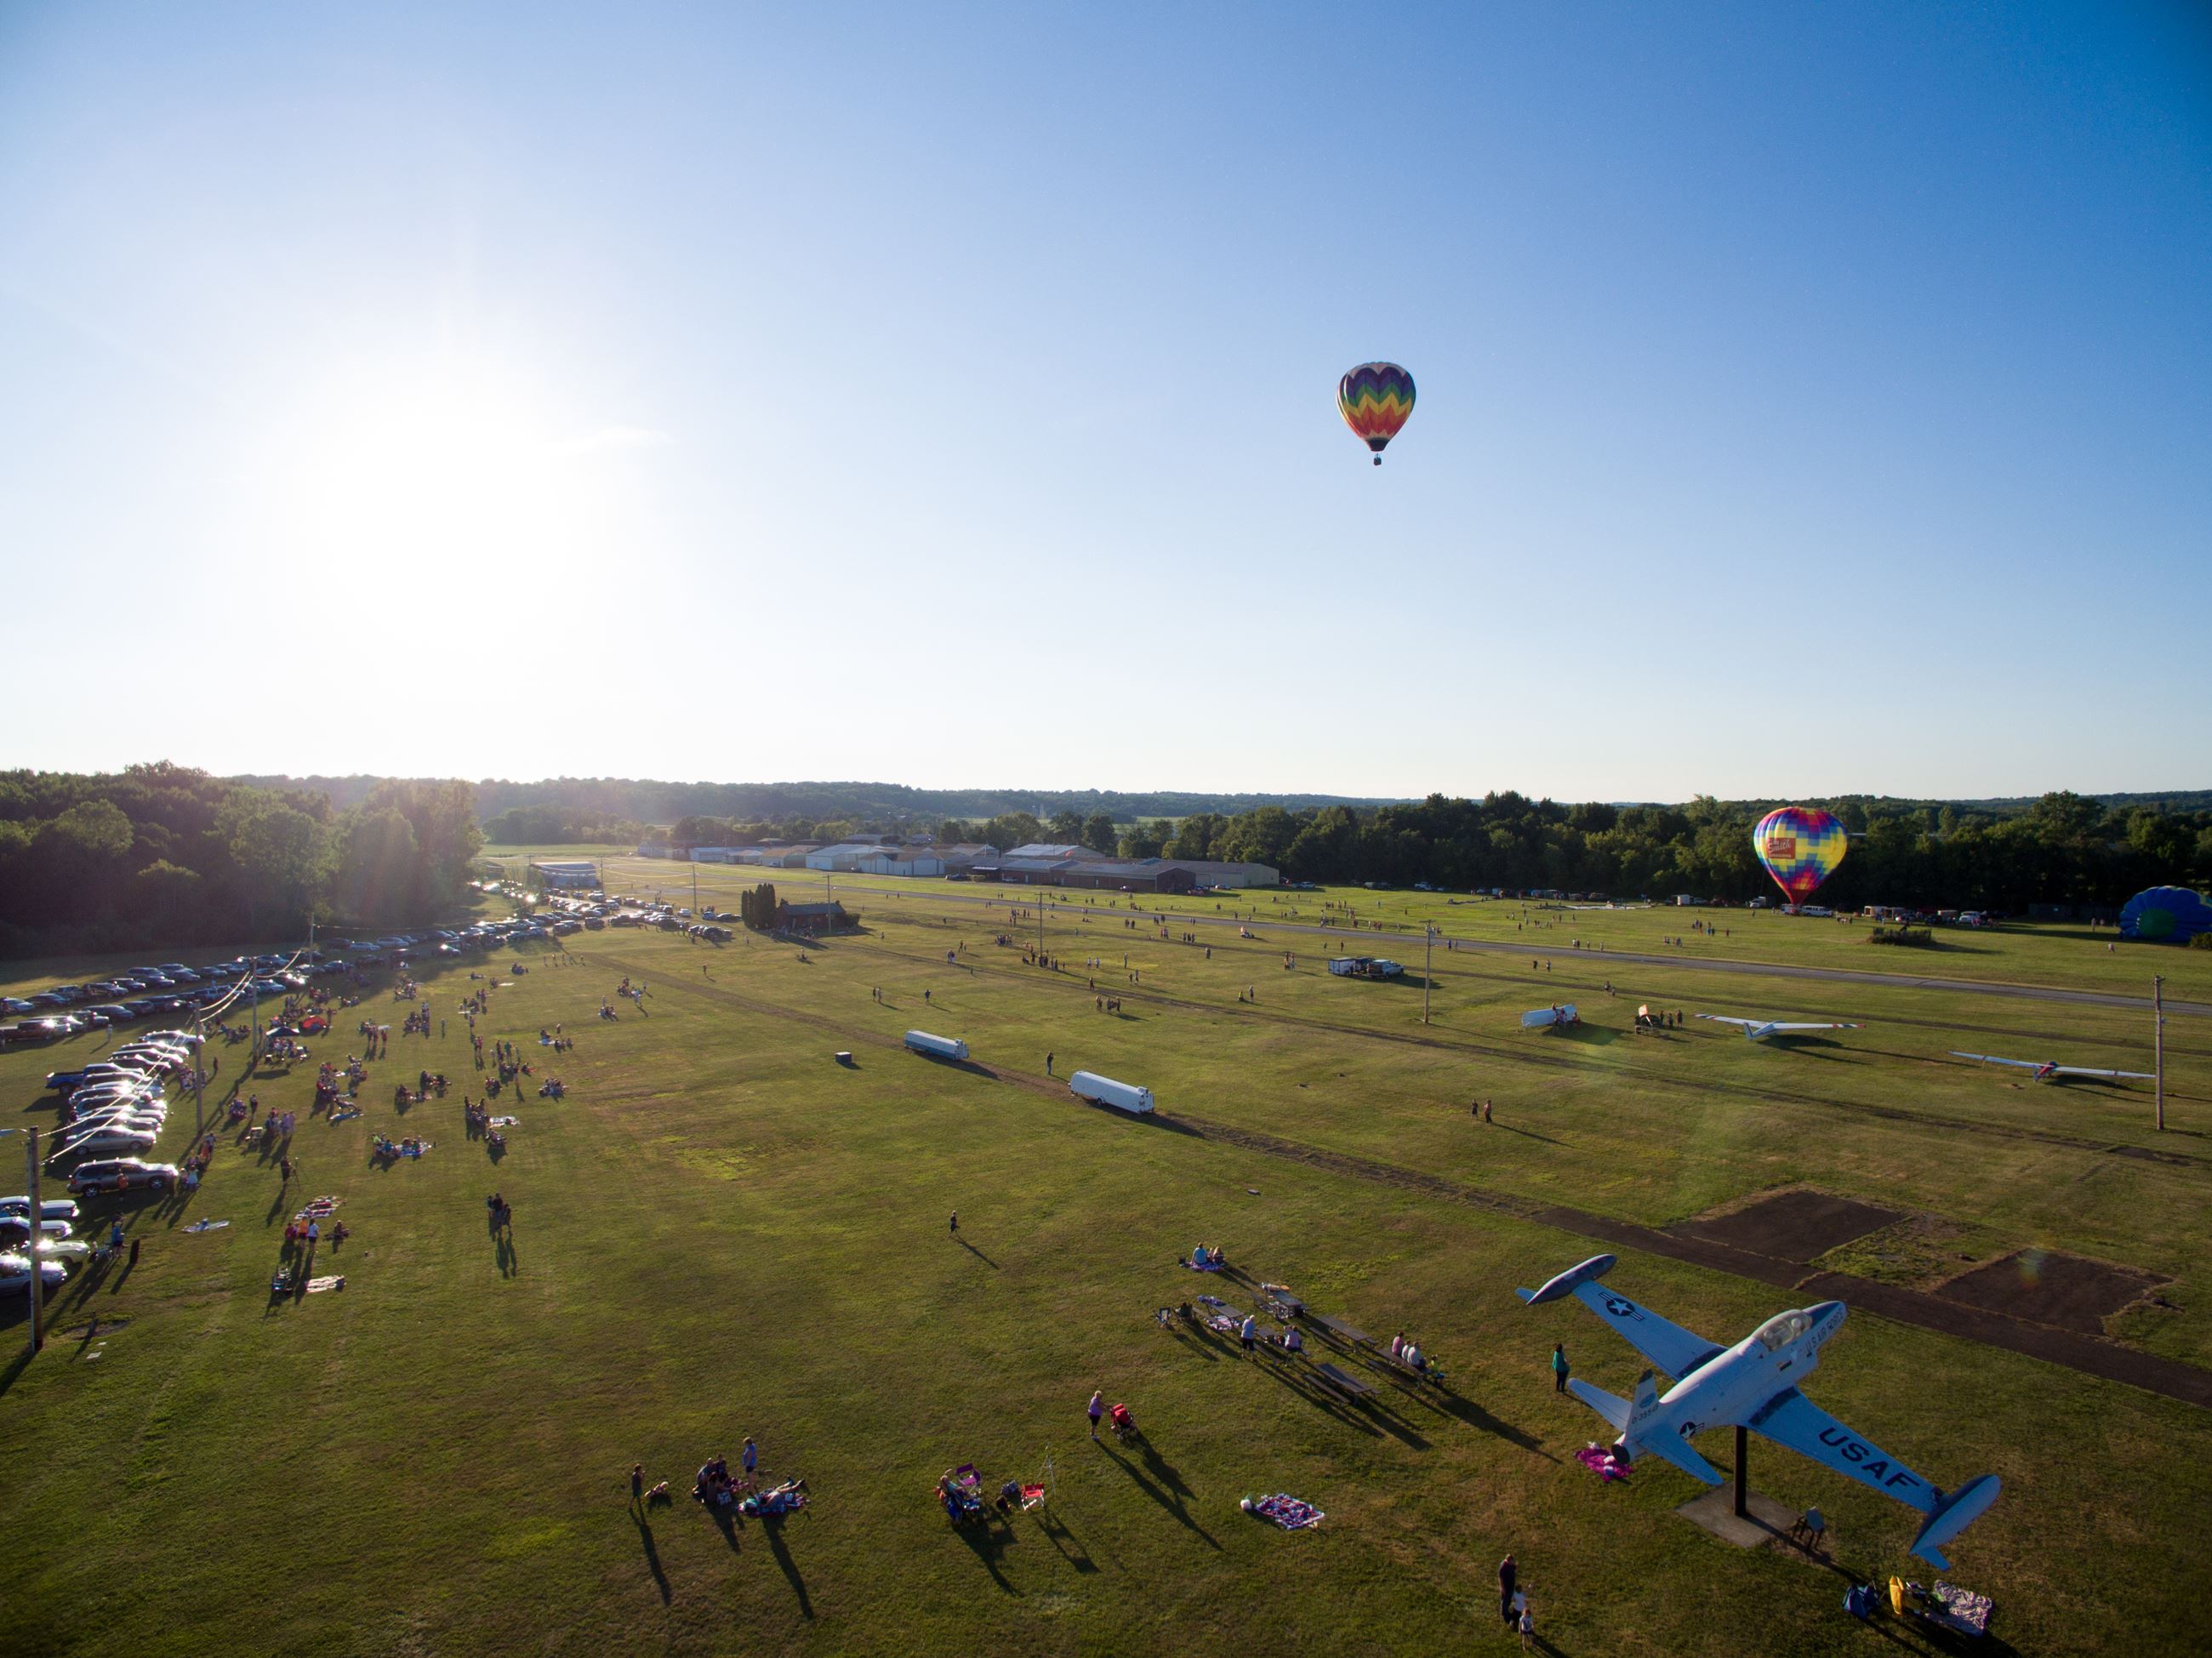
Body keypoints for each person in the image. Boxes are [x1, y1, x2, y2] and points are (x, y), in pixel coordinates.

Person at [1498, 1555, 1517, 1628]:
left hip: (1511, 1586)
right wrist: (1502, 1588)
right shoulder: (1503, 1567)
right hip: (1506, 1587)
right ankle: (1505, 1616)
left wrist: (1514, 1564)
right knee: (1504, 1601)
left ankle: (1506, 1611)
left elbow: (1516, 1568)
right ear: (1509, 1560)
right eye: (1513, 1561)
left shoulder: (1511, 1565)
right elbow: (1500, 1579)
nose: (1514, 1562)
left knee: (1508, 1600)